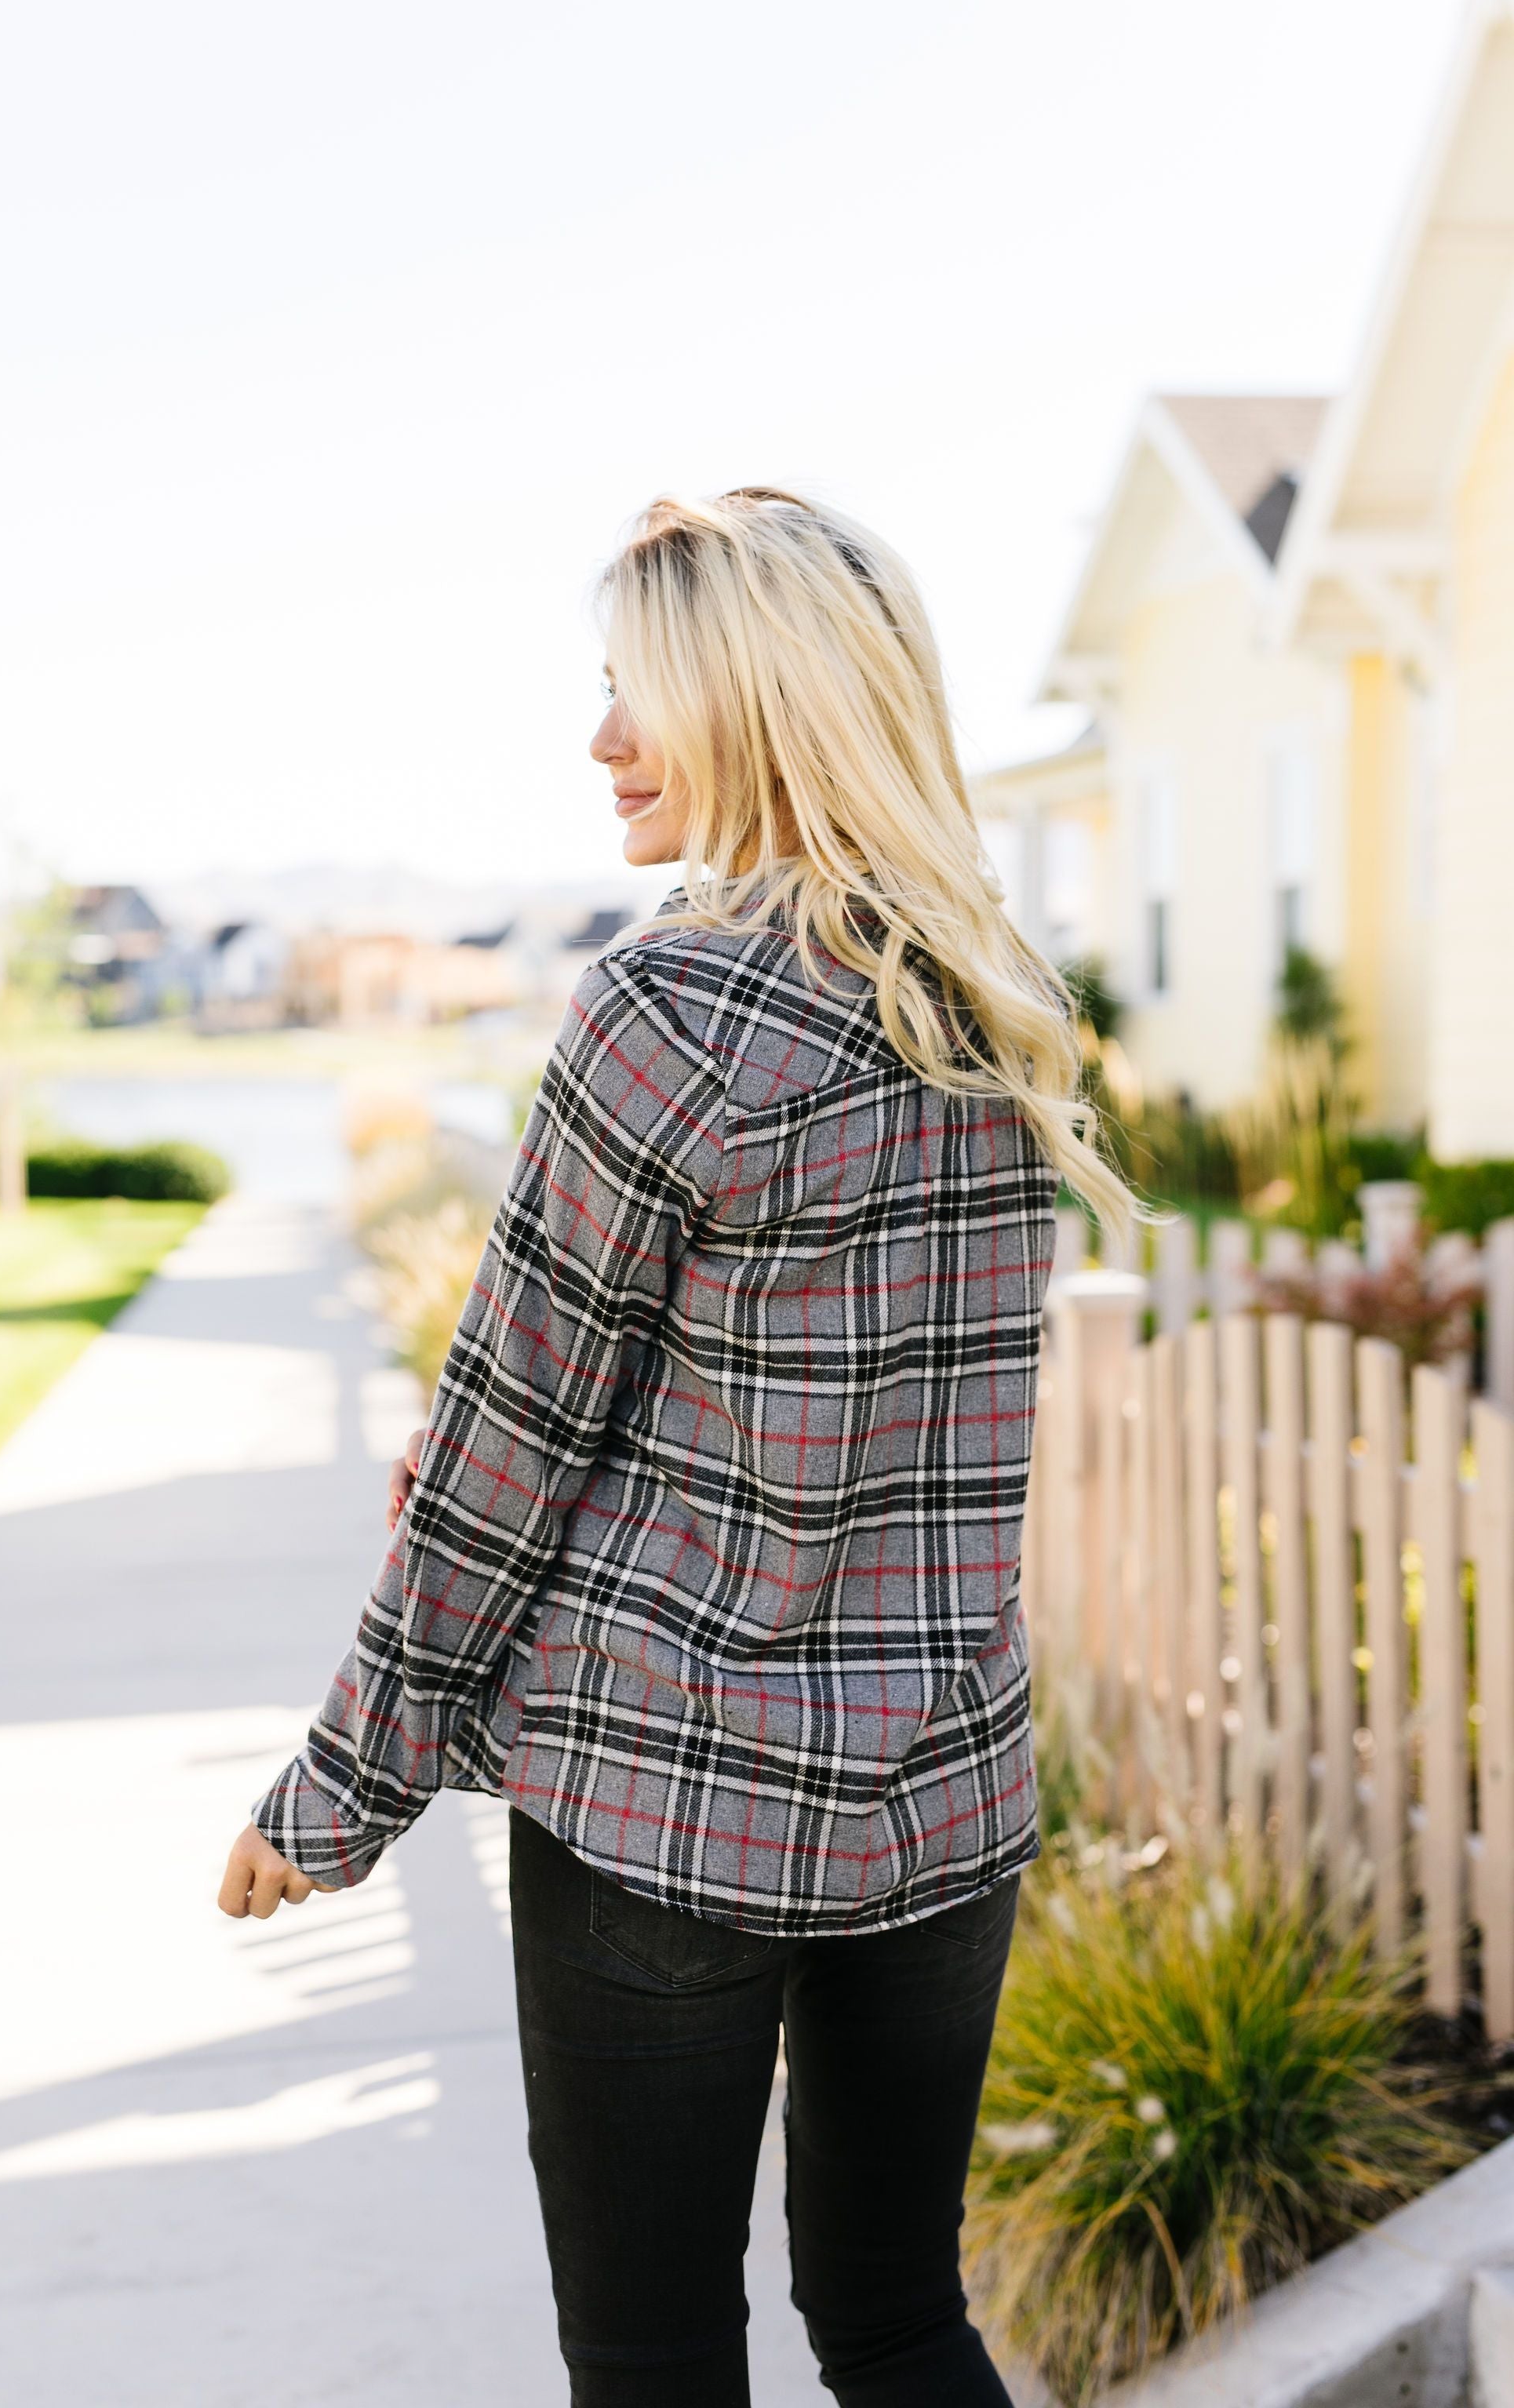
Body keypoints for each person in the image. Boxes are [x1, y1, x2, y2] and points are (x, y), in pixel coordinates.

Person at [219, 489, 1141, 2406]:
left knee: (651, 2358)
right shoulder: (994, 1007)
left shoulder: (676, 1006)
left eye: (643, 692)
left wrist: (332, 1795)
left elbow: (505, 1449)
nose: (604, 741)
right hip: (943, 1796)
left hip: (665, 1818)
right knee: (898, 2324)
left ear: (766, 705)